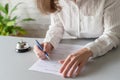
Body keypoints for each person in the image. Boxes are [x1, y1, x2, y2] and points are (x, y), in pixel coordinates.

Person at [33, 0, 120, 78]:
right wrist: (49, 42)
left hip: (108, 52)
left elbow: (113, 33)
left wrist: (88, 50)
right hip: (73, 44)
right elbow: (57, 26)